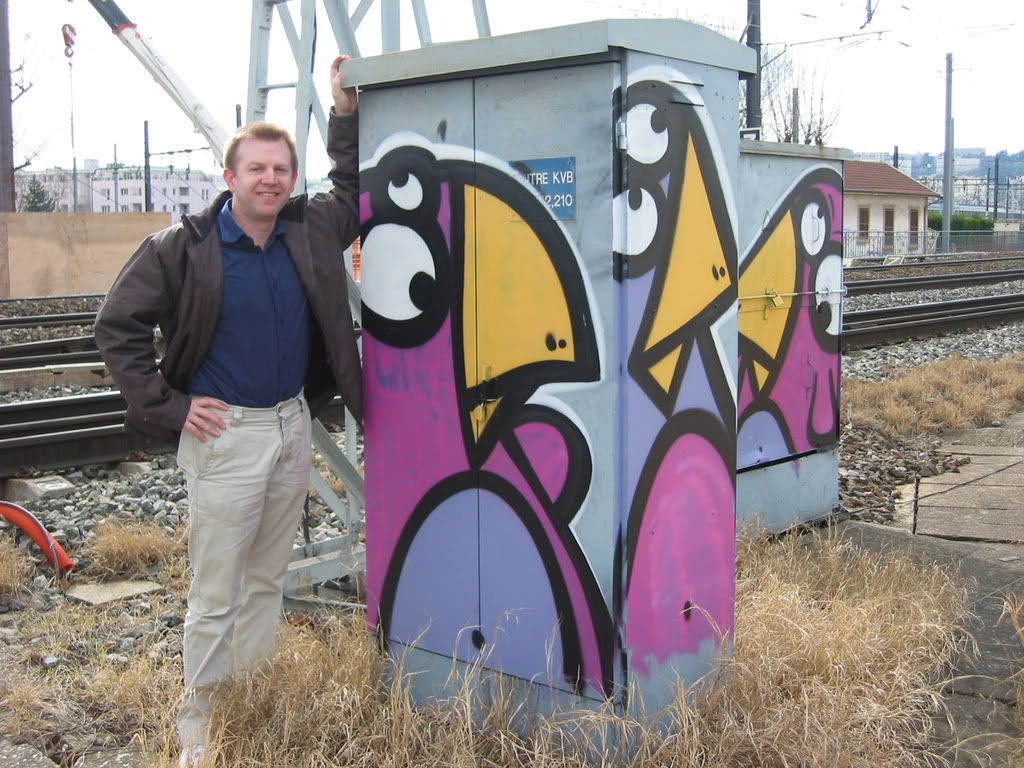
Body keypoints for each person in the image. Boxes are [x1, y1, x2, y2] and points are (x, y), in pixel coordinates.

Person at [94, 55, 362, 767]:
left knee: (267, 579)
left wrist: (342, 112)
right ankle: (198, 726)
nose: (270, 180)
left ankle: (247, 698)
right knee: (217, 593)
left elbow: (355, 187)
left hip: (289, 426)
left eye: (281, 169)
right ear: (229, 176)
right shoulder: (184, 248)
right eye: (257, 169)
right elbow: (116, 327)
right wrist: (169, 407)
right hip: (225, 436)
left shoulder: (309, 231)